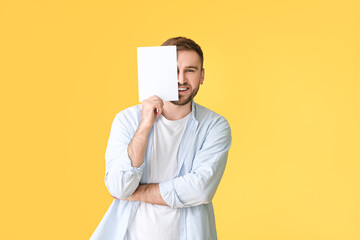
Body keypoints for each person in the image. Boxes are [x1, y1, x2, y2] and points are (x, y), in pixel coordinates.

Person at [90, 37, 232, 240]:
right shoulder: (127, 120)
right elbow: (119, 186)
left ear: (202, 76)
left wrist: (135, 193)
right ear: (159, 73)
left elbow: (201, 189)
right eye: (173, 71)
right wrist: (145, 125)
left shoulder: (215, 126)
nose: (181, 79)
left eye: (190, 70)